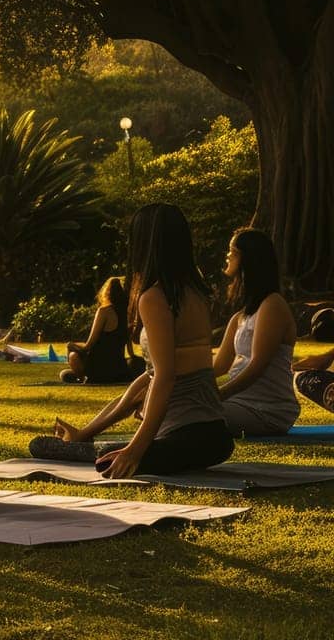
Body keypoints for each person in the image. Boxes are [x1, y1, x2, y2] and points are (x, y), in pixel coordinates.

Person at [30, 204, 235, 477]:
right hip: (217, 436)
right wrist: (86, 432)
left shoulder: (154, 298)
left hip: (186, 435)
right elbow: (144, 384)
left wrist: (135, 450)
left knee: (107, 463)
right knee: (117, 453)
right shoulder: (195, 293)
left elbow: (165, 377)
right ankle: (91, 444)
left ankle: (97, 450)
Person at [207, 229, 299, 436]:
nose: (227, 255)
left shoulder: (273, 305)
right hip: (239, 403)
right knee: (178, 409)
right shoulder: (240, 316)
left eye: (233, 251)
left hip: (266, 409)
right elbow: (218, 366)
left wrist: (218, 395)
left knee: (188, 416)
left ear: (248, 259)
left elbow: (257, 365)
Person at [51, 277, 140, 384]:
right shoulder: (129, 314)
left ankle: (83, 379)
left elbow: (89, 345)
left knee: (71, 358)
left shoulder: (104, 311)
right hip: (118, 369)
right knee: (66, 373)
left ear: (107, 292)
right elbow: (130, 348)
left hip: (98, 369)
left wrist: (71, 345)